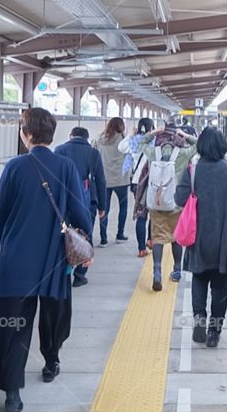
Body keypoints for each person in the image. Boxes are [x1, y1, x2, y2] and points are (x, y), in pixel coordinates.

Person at [0, 108, 93, 412]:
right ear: (51, 133)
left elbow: (3, 215)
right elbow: (79, 212)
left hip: (18, 259)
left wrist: (10, 244)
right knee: (54, 314)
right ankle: (51, 361)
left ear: (26, 133)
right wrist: (84, 242)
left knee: (14, 323)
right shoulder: (66, 167)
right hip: (55, 258)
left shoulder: (14, 167)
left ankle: (12, 393)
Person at [174, 127, 227, 347]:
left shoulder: (192, 171)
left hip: (198, 237)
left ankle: (199, 319)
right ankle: (215, 332)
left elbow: (179, 199)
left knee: (199, 278)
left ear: (201, 146)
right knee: (220, 286)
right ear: (223, 146)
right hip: (225, 239)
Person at [140, 122, 198, 290]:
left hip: (157, 203)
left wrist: (152, 133)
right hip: (176, 204)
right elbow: (200, 145)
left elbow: (141, 143)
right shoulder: (182, 154)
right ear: (176, 137)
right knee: (175, 237)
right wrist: (186, 136)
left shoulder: (153, 153)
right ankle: (177, 270)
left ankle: (157, 271)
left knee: (158, 237)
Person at [55, 126, 106, 287]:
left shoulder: (60, 149)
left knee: (64, 235)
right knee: (85, 234)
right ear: (87, 138)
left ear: (71, 136)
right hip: (87, 200)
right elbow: (100, 180)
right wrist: (102, 206)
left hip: (64, 201)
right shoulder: (94, 153)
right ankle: (80, 274)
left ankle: (63, 270)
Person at [119, 117, 156, 256]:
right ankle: (150, 240)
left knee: (141, 215)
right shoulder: (155, 142)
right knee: (153, 212)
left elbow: (121, 147)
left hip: (137, 182)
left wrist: (131, 134)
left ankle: (141, 249)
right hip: (152, 181)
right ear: (151, 128)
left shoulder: (134, 141)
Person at [93, 117, 130, 246]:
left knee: (104, 208)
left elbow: (94, 155)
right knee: (123, 207)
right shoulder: (124, 140)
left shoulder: (99, 139)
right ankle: (120, 234)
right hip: (121, 179)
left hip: (104, 179)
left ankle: (103, 239)